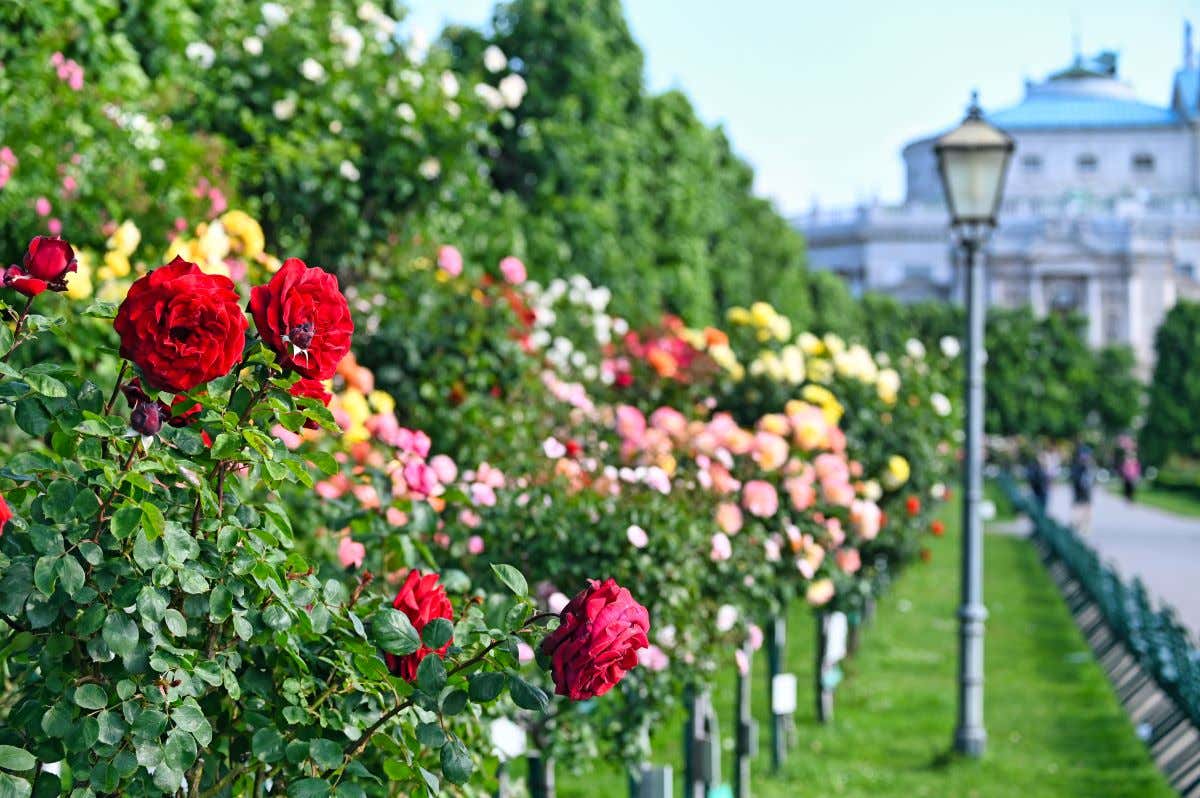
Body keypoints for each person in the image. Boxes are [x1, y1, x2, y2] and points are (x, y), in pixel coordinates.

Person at [1069, 444, 1095, 533]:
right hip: (1079, 489)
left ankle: (1084, 525)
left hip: (1085, 490)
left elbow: (1091, 478)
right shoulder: (1079, 466)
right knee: (1080, 506)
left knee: (1086, 507)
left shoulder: (1088, 466)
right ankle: (1078, 523)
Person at [1025, 449, 1048, 514]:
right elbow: (1032, 478)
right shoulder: (1034, 467)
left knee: (1043, 508)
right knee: (1038, 507)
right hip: (1037, 490)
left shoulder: (1043, 467)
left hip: (1043, 490)